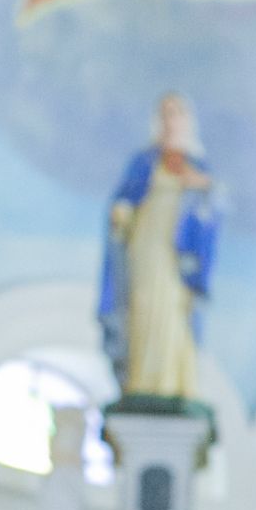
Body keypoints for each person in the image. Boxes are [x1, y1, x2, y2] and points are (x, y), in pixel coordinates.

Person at [99, 92, 220, 403]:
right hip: (146, 243)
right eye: (165, 113)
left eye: (176, 113)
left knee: (173, 309)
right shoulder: (144, 162)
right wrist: (121, 213)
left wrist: (203, 189)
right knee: (143, 304)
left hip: (179, 253)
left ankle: (171, 382)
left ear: (186, 121)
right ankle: (141, 379)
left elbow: (212, 210)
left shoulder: (196, 166)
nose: (170, 120)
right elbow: (124, 199)